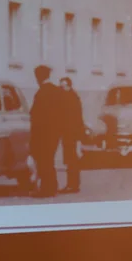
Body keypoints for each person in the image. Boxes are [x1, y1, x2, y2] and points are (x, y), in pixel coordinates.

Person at [29, 65, 62, 196]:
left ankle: (47, 189)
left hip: (43, 133)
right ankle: (52, 186)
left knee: (43, 161)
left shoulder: (41, 93)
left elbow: (35, 115)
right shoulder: (57, 91)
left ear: (38, 77)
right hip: (55, 133)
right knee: (49, 159)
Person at [58, 77, 84, 193]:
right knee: (70, 160)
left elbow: (77, 120)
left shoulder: (73, 100)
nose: (61, 89)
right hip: (68, 134)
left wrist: (79, 139)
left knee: (72, 160)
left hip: (73, 134)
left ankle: (73, 185)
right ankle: (72, 184)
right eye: (60, 87)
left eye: (63, 86)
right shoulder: (68, 98)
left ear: (68, 86)